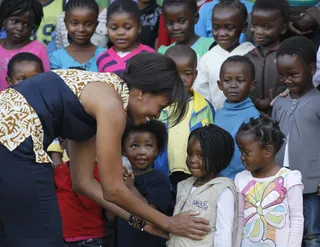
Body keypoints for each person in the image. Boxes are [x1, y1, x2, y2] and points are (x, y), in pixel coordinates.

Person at [0, 52, 210, 247]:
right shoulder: (112, 105)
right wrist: (168, 223)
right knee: (44, 238)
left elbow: (82, 183)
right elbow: (113, 189)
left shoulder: (97, 94)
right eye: (161, 107)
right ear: (142, 93)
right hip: (14, 142)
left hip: (10, 144)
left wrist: (141, 222)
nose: (156, 115)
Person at [272, 36, 320, 247]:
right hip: (282, 181)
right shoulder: (279, 102)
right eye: (282, 75)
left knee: (311, 234)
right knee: (284, 230)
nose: (287, 80)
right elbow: (272, 140)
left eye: (293, 74)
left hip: (311, 184)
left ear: (311, 69)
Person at [154, 45, 215, 199]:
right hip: (162, 172)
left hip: (193, 173)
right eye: (175, 74)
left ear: (195, 74)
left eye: (187, 73)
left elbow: (210, 141)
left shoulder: (204, 107)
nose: (181, 79)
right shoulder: (158, 105)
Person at [235, 117, 304, 247]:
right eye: (240, 151)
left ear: (268, 151)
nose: (242, 157)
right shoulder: (241, 179)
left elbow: (297, 220)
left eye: (246, 152)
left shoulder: (289, 179)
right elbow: (239, 219)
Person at [168, 124, 238, 247]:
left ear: (218, 158)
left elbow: (224, 233)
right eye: (189, 153)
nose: (192, 160)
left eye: (200, 155)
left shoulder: (222, 189)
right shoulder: (183, 185)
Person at [112, 120, 173, 247]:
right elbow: (110, 217)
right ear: (123, 150)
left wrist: (130, 187)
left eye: (148, 146)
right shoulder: (120, 179)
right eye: (134, 145)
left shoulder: (158, 179)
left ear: (157, 151)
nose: (141, 152)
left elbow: (151, 214)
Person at [194, 0, 255, 110]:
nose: (222, 33)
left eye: (229, 27)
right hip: (216, 121)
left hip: (249, 122)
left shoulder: (252, 54)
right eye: (216, 27)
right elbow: (202, 96)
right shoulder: (207, 59)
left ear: (244, 27)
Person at [55, 138, 107, 247]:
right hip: (62, 237)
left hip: (91, 238)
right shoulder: (58, 170)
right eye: (76, 144)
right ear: (62, 143)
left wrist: (78, 172)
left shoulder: (98, 170)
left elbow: (90, 202)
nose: (81, 149)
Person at [215, 56, 260, 180]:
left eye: (240, 80)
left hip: (244, 182)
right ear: (220, 84)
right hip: (217, 181)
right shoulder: (216, 114)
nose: (233, 85)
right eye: (227, 80)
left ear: (252, 85)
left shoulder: (254, 117)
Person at [244, 0, 288, 116]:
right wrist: (254, 101)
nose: (258, 32)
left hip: (281, 115)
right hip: (253, 117)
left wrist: (269, 101)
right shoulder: (247, 58)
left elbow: (290, 84)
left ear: (283, 28)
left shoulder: (287, 56)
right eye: (254, 25)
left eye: (267, 27)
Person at [0, 0, 50, 91]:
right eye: (15, 21)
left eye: (26, 24)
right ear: (4, 19)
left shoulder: (38, 49)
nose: (20, 28)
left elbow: (45, 81)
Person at [97, 0, 155, 75]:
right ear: (107, 28)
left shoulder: (150, 55)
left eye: (127, 28)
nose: (120, 33)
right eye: (114, 28)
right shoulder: (103, 59)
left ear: (139, 28)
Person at [50, 0, 106, 71]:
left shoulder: (105, 56)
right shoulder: (57, 57)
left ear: (96, 25)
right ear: (65, 23)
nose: (81, 29)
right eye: (74, 23)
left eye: (88, 24)